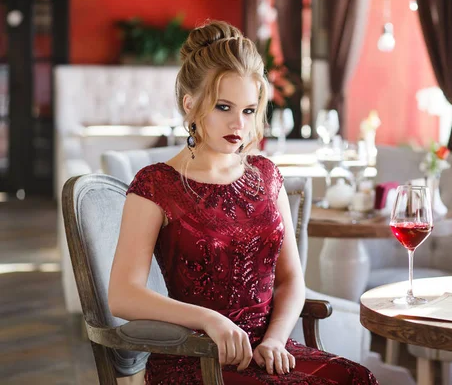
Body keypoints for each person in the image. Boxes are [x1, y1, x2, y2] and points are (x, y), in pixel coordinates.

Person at [108, 20, 378, 384]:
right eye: (224, 107)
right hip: (196, 357)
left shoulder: (267, 177)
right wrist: (210, 320)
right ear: (191, 105)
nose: (239, 123)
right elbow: (122, 295)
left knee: (355, 377)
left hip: (269, 351)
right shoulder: (157, 184)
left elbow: (291, 279)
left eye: (249, 110)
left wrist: (276, 340)